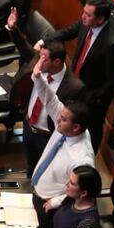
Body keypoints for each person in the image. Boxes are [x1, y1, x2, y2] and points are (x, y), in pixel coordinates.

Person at [42, 0, 114, 150]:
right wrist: (43, 42)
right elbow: (68, 32)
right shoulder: (87, 24)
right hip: (74, 86)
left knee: (91, 131)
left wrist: (98, 100)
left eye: (88, 14)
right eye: (84, 12)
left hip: (91, 97)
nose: (82, 17)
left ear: (100, 19)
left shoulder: (112, 44)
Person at [31, 99, 95, 228]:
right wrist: (38, 79)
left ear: (76, 127)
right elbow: (50, 99)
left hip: (49, 206)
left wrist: (55, 202)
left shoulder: (82, 160)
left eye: (64, 119)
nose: (58, 119)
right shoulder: (66, 129)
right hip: (38, 191)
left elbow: (82, 192)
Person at [22, 38, 80, 173]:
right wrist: (13, 30)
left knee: (45, 172)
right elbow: (25, 49)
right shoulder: (40, 65)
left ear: (57, 62)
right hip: (28, 127)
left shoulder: (74, 87)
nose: (39, 61)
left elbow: (67, 117)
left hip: (48, 136)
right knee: (31, 168)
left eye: (44, 59)